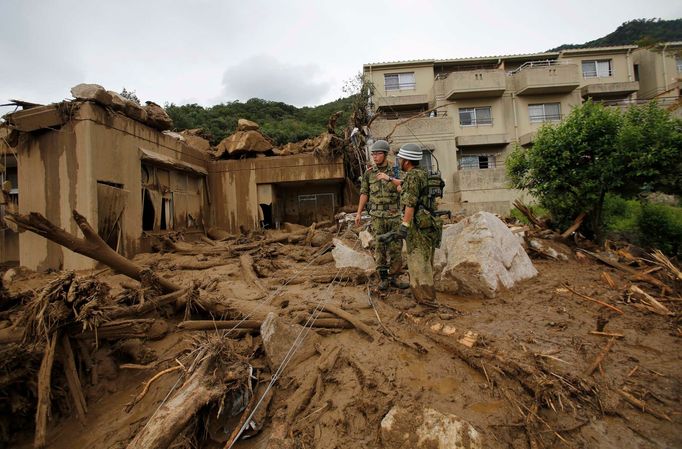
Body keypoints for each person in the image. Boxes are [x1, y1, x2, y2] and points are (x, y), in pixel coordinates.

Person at [355, 140, 408, 291]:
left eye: (378, 154)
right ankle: (383, 278)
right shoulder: (369, 173)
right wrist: (358, 213)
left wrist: (389, 179)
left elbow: (403, 187)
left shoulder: (395, 170)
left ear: (385, 154)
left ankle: (395, 278)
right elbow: (364, 193)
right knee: (379, 247)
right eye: (373, 154)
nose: (375, 157)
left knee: (396, 247)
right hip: (377, 216)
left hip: (394, 215)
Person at [395, 143, 438, 305]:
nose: (399, 161)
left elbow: (410, 203)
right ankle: (425, 297)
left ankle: (426, 301)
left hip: (418, 226)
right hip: (427, 223)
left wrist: (404, 226)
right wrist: (390, 180)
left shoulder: (412, 177)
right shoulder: (422, 174)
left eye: (400, 158)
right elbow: (404, 188)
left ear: (406, 161)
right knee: (425, 260)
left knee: (418, 261)